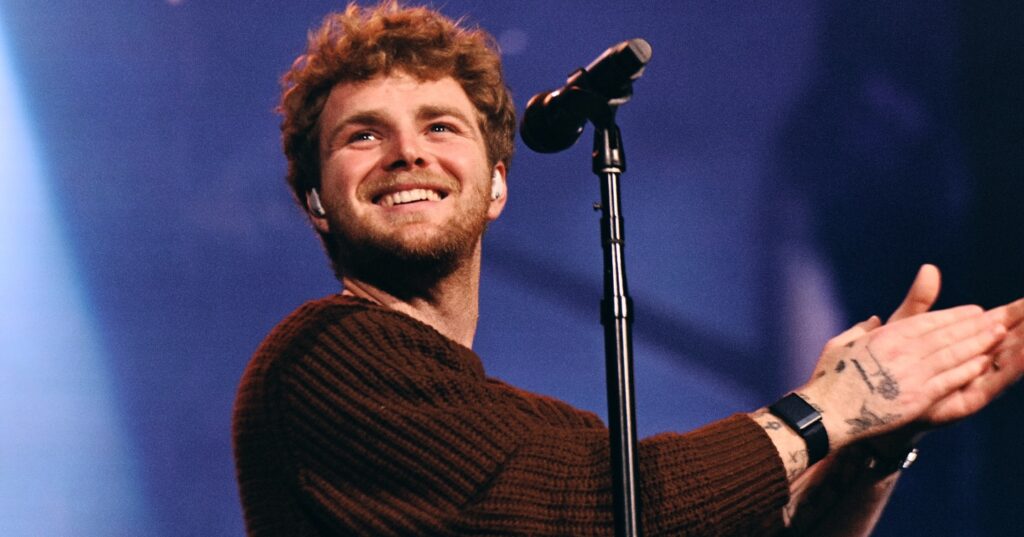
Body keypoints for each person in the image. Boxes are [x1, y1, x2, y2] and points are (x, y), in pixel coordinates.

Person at [232, 2, 1024, 535]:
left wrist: (876, 440)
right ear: (316, 201)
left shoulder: (547, 434)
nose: (409, 151)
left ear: (497, 184)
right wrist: (836, 403)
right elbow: (570, 511)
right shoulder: (318, 360)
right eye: (363, 135)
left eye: (440, 125)